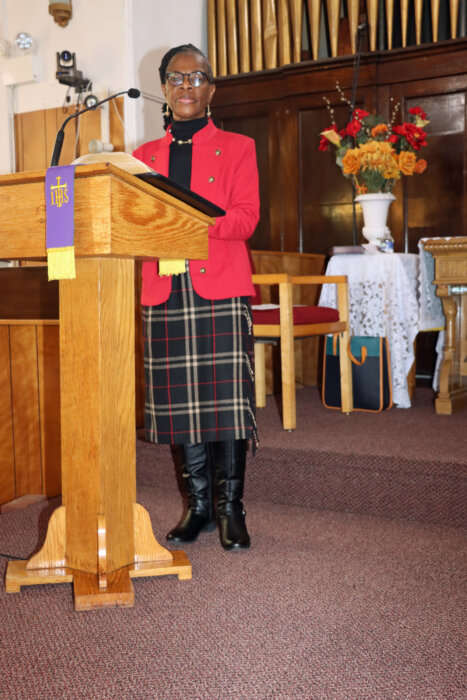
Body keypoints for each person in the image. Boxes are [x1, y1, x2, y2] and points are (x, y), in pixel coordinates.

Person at [133, 44, 259, 551]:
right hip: (164, 289)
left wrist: (189, 228)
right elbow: (135, 224)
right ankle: (199, 506)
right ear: (164, 88)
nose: (186, 87)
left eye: (197, 77)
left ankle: (231, 509)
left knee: (225, 402)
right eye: (176, 78)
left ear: (212, 89)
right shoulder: (141, 158)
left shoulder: (239, 147)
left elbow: (246, 217)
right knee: (181, 403)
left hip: (219, 283)